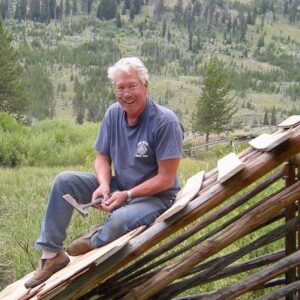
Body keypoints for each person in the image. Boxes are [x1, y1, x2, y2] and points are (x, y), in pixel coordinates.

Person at [25, 57, 184, 288]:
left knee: (119, 219)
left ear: (145, 86)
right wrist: (104, 185)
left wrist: (127, 196)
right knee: (64, 181)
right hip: (120, 185)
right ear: (114, 89)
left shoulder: (165, 122)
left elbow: (166, 178)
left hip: (156, 197)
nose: (126, 93)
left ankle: (95, 237)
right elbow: (102, 157)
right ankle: (52, 255)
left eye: (132, 86)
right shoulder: (113, 114)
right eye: (120, 87)